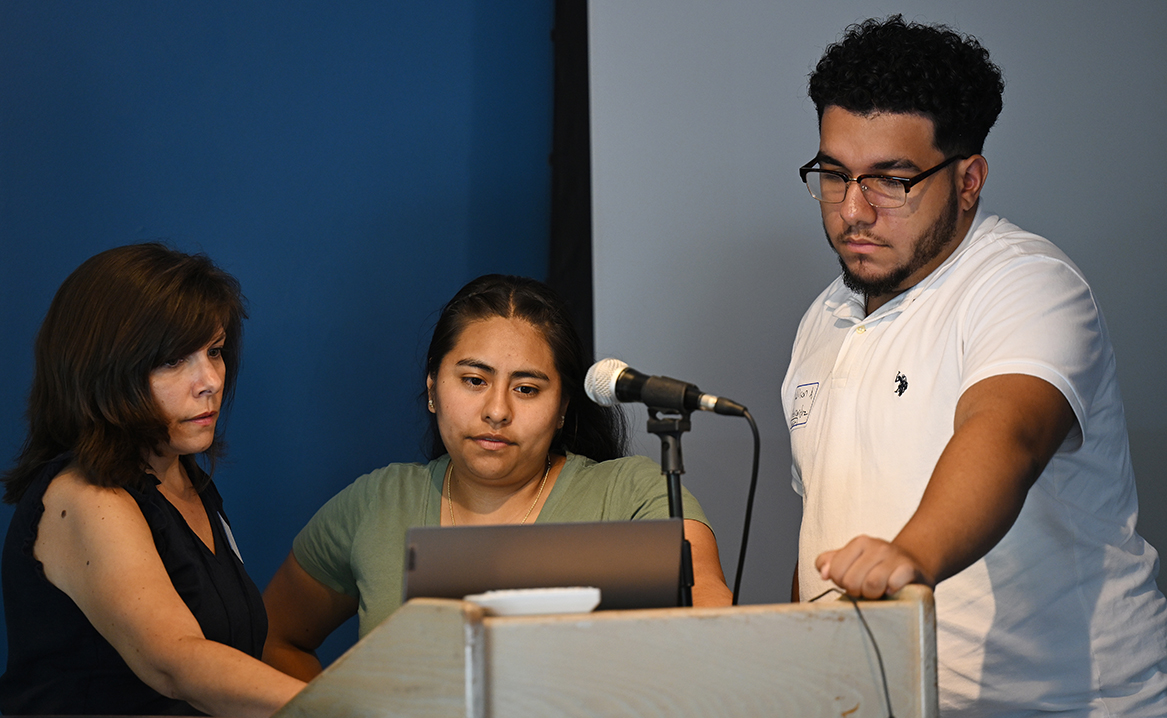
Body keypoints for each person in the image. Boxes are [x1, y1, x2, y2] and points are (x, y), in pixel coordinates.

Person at [781, 15, 1167, 716]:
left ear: (967, 180)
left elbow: (1004, 435)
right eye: (833, 175)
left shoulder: (1023, 283)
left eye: (891, 181)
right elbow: (822, 530)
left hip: (1067, 704)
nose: (852, 210)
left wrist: (912, 555)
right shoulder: (823, 318)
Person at [262, 274, 732, 680]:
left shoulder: (632, 493)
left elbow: (711, 615)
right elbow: (275, 638)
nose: (497, 410)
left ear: (564, 406)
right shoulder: (376, 504)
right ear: (432, 389)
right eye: (473, 380)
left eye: (526, 389)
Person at [0, 244, 305, 716]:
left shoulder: (185, 480)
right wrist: (342, 707)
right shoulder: (85, 497)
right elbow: (175, 663)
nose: (210, 381)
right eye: (172, 361)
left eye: (215, 351)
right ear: (103, 371)